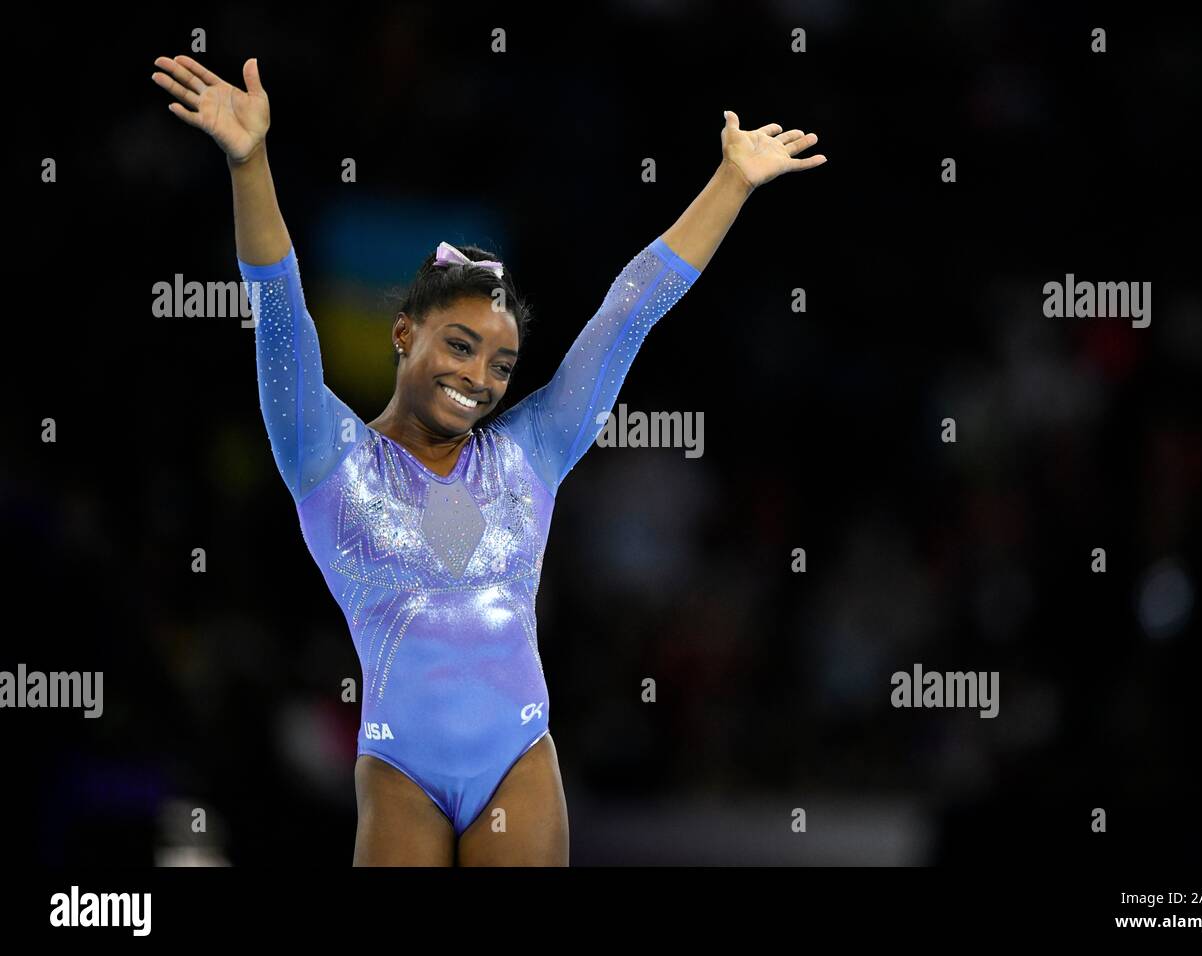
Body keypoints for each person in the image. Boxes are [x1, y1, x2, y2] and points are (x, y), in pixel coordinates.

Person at [151, 53, 826, 866]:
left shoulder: (529, 453)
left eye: (501, 365)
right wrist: (250, 161)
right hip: (400, 768)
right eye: (460, 346)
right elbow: (279, 307)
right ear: (405, 333)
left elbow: (629, 310)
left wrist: (732, 181)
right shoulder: (324, 454)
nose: (478, 377)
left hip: (520, 761)